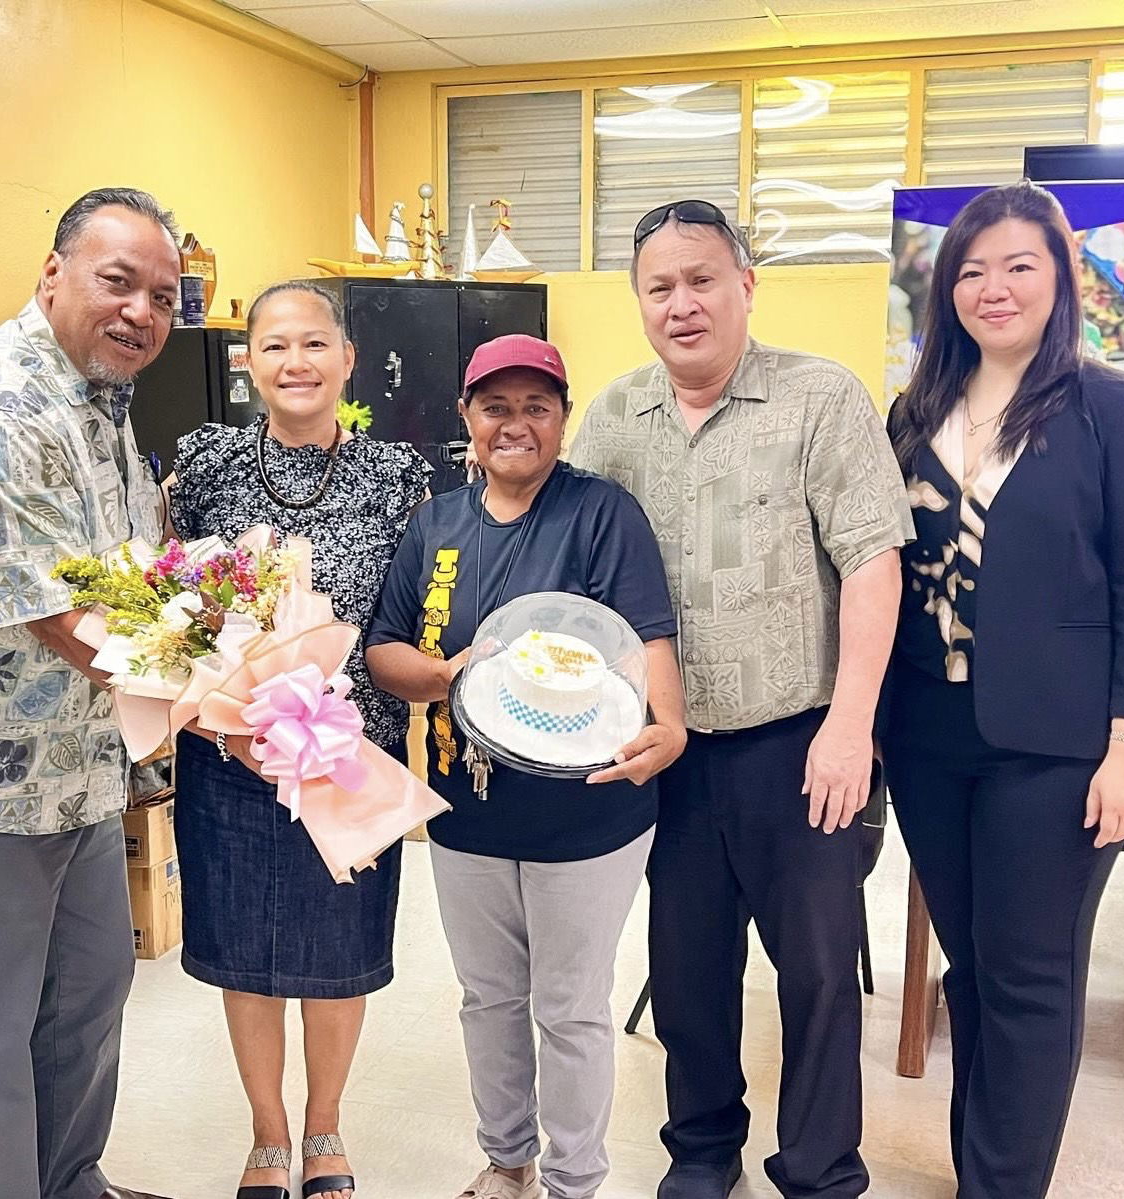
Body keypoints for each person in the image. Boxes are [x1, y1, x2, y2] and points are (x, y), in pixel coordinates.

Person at [568, 201, 914, 1199]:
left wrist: (849, 727)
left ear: (744, 284)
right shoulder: (613, 417)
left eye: (701, 279)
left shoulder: (817, 397)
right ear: (639, 300)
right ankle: (701, 1148)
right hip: (667, 747)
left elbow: (871, 563)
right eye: (658, 286)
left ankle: (816, 1167)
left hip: (797, 741)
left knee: (812, 975)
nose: (681, 304)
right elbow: (576, 571)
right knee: (686, 972)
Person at [880, 181, 1124, 1198]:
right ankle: (983, 1171)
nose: (991, 287)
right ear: (942, 287)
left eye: (1018, 265)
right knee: (969, 970)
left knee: (1027, 979)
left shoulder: (1116, 408)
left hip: (1054, 743)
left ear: (1061, 276)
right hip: (925, 731)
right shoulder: (912, 409)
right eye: (969, 269)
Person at [0, 187, 180, 1199]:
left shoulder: (97, 405)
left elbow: (134, 579)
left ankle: (70, 1184)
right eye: (117, 281)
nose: (141, 310)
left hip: (79, 771)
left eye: (163, 294)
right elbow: (60, 616)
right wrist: (229, 692)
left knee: (84, 1008)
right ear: (51, 274)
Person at [364, 334, 686, 1199]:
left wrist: (673, 724)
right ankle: (507, 1162)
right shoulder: (435, 522)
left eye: (536, 406)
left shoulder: (601, 512)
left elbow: (648, 633)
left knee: (572, 1007)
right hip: (464, 806)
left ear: (562, 418)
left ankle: (574, 1180)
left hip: (588, 812)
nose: (516, 424)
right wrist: (443, 676)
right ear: (466, 416)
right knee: (489, 998)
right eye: (495, 407)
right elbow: (383, 649)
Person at [165, 278, 430, 1199]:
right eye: (274, 345)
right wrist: (219, 715)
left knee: (336, 950)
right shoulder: (204, 465)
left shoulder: (398, 477)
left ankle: (325, 1127)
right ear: (249, 363)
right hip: (228, 755)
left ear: (347, 359)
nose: (295, 362)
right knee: (246, 950)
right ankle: (267, 1135)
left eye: (314, 344)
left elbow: (409, 614)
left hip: (353, 752)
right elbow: (174, 607)